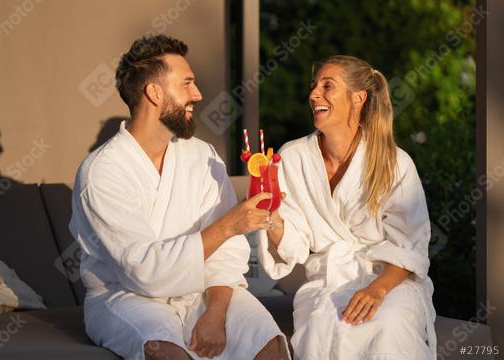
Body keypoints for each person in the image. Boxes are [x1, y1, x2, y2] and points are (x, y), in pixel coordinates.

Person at [69, 34, 289, 360]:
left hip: (202, 292)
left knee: (268, 344)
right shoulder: (102, 173)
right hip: (126, 298)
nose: (197, 95)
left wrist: (215, 313)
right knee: (167, 352)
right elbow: (146, 272)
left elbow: (226, 257)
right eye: (187, 83)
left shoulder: (202, 156)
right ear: (154, 93)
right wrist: (229, 224)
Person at [257, 55, 436, 359]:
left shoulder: (394, 162)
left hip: (390, 281)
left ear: (358, 98)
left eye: (327, 86)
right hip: (327, 281)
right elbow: (295, 244)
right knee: (322, 329)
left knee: (389, 327)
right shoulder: (293, 157)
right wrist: (268, 217)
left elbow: (410, 245)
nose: (314, 95)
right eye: (314, 87)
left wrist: (377, 290)